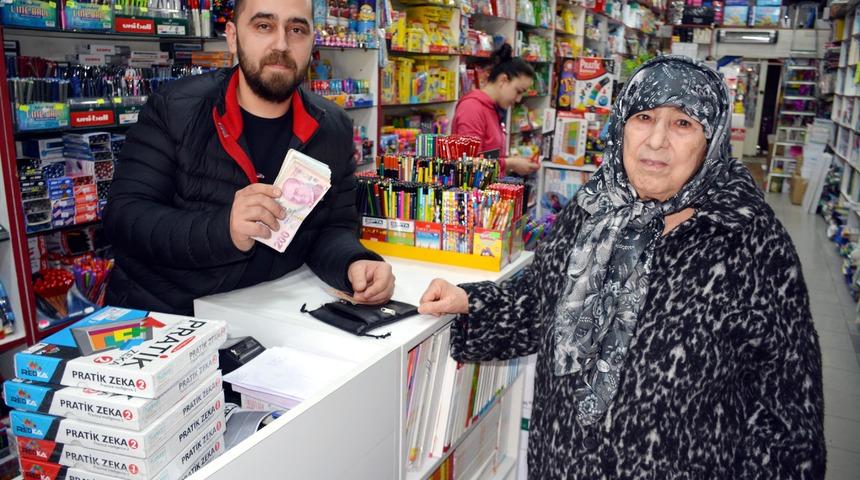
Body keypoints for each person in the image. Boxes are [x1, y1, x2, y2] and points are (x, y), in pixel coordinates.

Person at [419, 56, 825, 478]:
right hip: (562, 460)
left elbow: (788, 414)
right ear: (622, 125)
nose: (656, 141)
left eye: (683, 123)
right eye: (644, 117)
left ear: (712, 138)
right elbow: (543, 301)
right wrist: (469, 300)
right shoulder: (594, 207)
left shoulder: (750, 240)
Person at [103, 0, 395, 315]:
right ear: (232, 36)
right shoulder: (175, 109)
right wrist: (223, 230)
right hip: (166, 318)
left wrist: (354, 262)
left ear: (313, 41)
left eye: (297, 29)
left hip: (268, 316)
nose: (282, 44)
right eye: (263, 26)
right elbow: (125, 217)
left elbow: (332, 227)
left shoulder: (332, 128)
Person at [451, 44, 539, 177]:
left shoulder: (492, 108)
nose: (518, 99)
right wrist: (511, 164)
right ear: (503, 80)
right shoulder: (472, 108)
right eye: (518, 91)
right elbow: (469, 165)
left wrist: (512, 163)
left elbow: (488, 155)